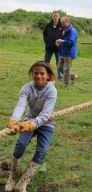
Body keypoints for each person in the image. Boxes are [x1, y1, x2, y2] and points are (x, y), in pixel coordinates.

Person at [5, 61, 57, 192]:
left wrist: (33, 125)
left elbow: (46, 114)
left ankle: (23, 182)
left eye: (42, 73)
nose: (38, 76)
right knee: (20, 145)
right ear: (32, 74)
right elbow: (21, 105)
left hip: (46, 124)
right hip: (28, 120)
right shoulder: (26, 88)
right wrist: (14, 120)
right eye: (36, 73)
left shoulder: (52, 90)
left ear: (48, 76)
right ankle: (12, 177)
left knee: (42, 151)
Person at [56, 16, 78, 87]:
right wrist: (60, 42)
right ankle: (73, 76)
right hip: (63, 52)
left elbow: (71, 42)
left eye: (63, 24)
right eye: (61, 24)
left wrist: (62, 41)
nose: (62, 25)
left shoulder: (72, 31)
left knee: (66, 69)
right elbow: (66, 41)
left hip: (69, 53)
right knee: (59, 68)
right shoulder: (65, 30)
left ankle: (66, 85)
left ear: (68, 22)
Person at [43, 10, 63, 80]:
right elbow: (44, 34)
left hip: (58, 48)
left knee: (59, 63)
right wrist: (47, 42)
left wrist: (61, 42)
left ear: (59, 16)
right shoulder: (48, 25)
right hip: (49, 47)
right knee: (46, 63)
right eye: (54, 16)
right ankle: (45, 75)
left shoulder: (62, 26)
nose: (55, 17)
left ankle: (60, 77)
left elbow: (64, 35)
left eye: (56, 16)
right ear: (52, 16)